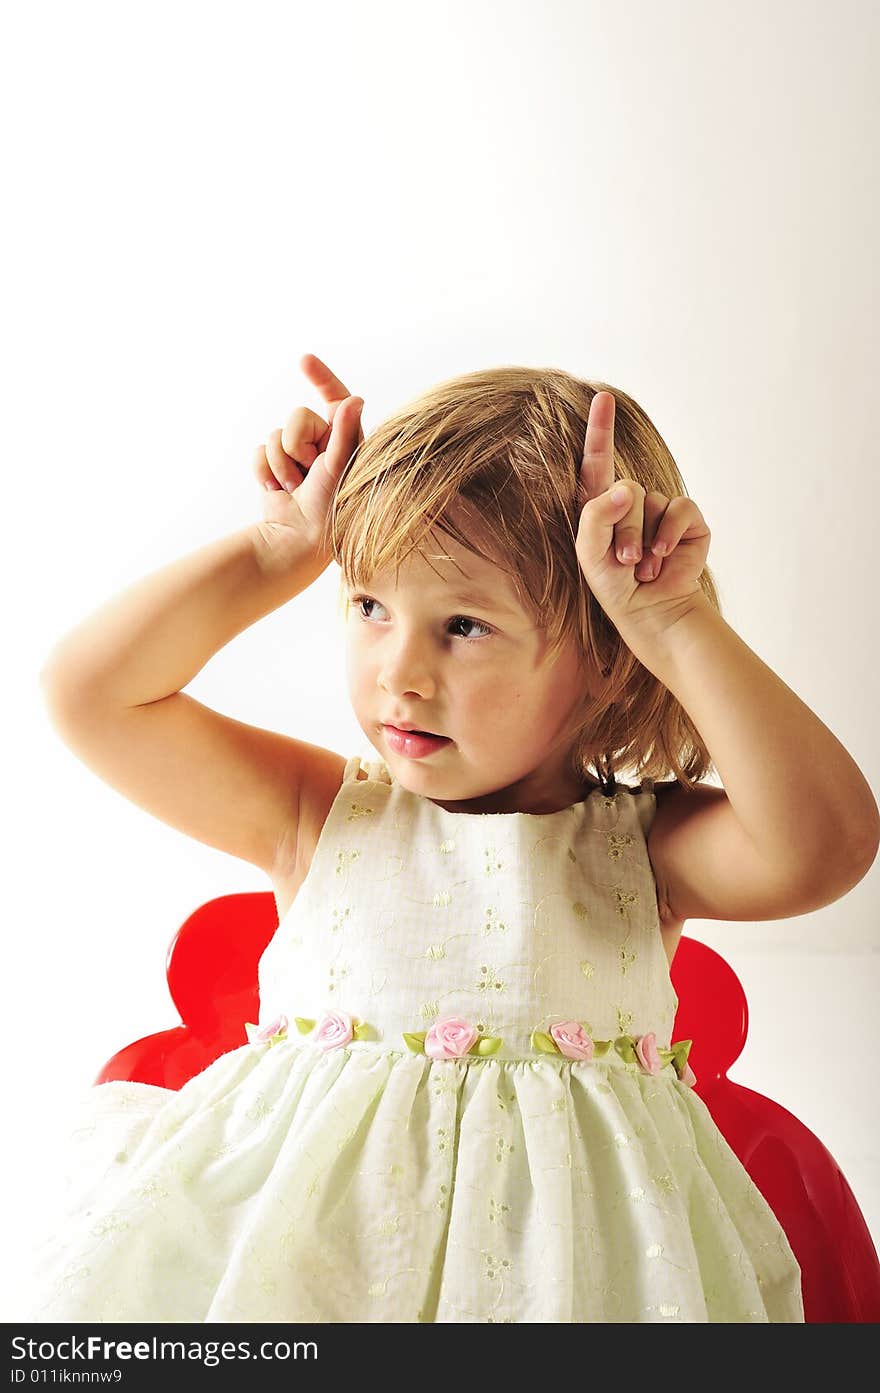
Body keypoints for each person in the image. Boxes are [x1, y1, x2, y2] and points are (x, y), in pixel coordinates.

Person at [27, 353, 878, 1324]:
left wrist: (673, 621)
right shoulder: (321, 813)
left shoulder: (640, 850)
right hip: (302, 1286)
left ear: (605, 655)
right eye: (369, 606)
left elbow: (828, 844)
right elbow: (92, 694)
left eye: (463, 624)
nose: (400, 672)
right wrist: (274, 550)